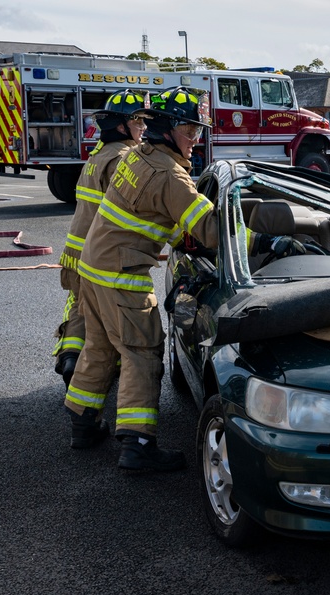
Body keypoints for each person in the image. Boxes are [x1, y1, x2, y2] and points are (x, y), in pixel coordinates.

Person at [64, 86, 218, 471]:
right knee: (141, 352)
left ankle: (83, 425)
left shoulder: (136, 157)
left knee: (99, 347)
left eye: (198, 131)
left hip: (94, 269)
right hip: (121, 275)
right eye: (190, 130)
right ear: (166, 128)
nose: (196, 139)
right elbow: (213, 231)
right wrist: (267, 237)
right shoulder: (169, 175)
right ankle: (138, 445)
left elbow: (151, 214)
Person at [53, 89, 150, 386]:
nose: (144, 128)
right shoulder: (124, 159)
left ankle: (69, 359)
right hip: (100, 253)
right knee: (104, 314)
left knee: (79, 307)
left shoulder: (97, 156)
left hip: (75, 250)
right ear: (121, 125)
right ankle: (92, 371)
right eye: (138, 121)